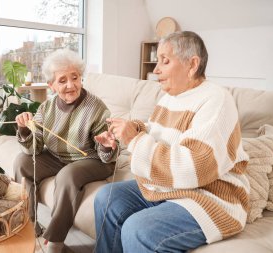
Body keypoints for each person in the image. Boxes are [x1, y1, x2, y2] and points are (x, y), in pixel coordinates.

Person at [94, 31, 250, 252]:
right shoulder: (169, 97)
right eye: (157, 61)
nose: (156, 69)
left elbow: (194, 167)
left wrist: (135, 140)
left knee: (138, 229)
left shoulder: (216, 100)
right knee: (106, 197)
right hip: (169, 188)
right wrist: (129, 132)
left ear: (192, 64)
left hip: (210, 197)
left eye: (164, 61)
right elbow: (154, 131)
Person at [14, 48, 118, 253]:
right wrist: (25, 130)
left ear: (81, 78)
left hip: (93, 159)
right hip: (57, 157)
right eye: (62, 81)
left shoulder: (96, 107)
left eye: (75, 78)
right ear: (51, 85)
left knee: (67, 175)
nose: (71, 85)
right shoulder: (46, 107)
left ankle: (55, 240)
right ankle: (29, 223)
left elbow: (107, 153)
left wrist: (106, 145)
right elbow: (34, 150)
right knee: (21, 162)